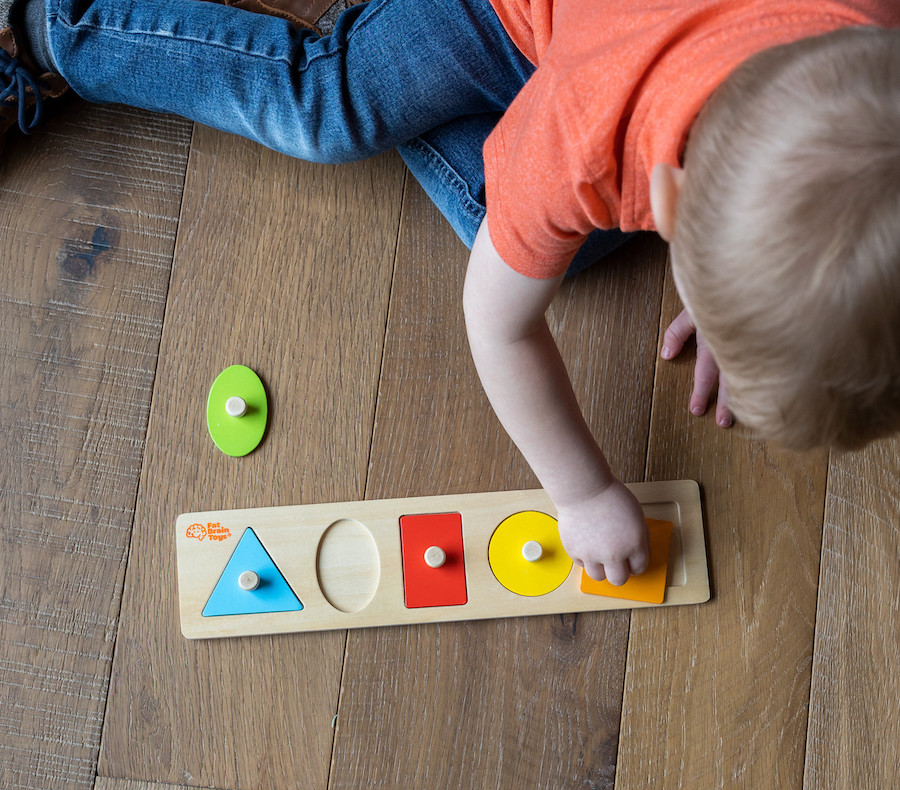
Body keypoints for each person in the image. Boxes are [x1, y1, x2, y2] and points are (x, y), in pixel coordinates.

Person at [2, 0, 898, 585]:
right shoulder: (587, 146)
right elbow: (497, 326)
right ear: (666, 200)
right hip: (496, 17)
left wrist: (739, 286)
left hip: (612, 50)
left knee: (551, 242)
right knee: (330, 112)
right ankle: (54, 30)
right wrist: (581, 495)